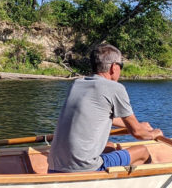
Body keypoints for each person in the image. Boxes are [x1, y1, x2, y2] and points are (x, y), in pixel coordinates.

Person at [47, 43, 162, 173]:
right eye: (121, 66)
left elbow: (102, 116)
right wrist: (153, 134)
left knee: (109, 147)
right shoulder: (115, 88)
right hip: (84, 168)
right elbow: (137, 133)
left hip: (53, 166)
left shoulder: (78, 84)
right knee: (142, 151)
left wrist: (137, 125)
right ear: (114, 67)